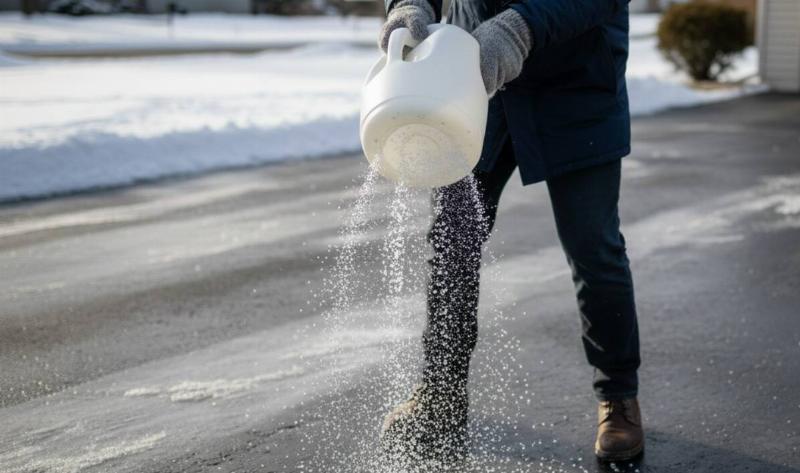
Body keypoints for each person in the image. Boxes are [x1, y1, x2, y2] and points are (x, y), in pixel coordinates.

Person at [377, 0, 644, 464]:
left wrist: (524, 25)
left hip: (576, 82)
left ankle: (618, 397)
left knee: (592, 248)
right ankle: (442, 395)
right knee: (452, 243)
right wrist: (409, 5)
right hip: (474, 79)